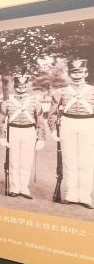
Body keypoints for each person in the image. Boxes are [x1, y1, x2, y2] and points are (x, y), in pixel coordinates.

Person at [49, 59, 94, 207]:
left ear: (86, 73)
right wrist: (53, 129)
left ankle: (85, 196)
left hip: (88, 124)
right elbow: (52, 113)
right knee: (69, 160)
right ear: (70, 74)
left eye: (80, 72)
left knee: (87, 161)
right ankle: (72, 194)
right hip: (68, 124)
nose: (77, 75)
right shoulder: (61, 92)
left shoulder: (92, 91)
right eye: (74, 72)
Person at [0, 73, 47, 199]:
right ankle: (14, 187)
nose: (21, 88)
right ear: (15, 87)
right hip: (13, 131)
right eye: (18, 86)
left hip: (29, 131)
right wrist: (1, 136)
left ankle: (24, 188)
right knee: (13, 160)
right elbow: (0, 121)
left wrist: (41, 138)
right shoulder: (7, 103)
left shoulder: (35, 103)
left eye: (23, 86)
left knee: (27, 161)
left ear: (26, 87)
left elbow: (40, 122)